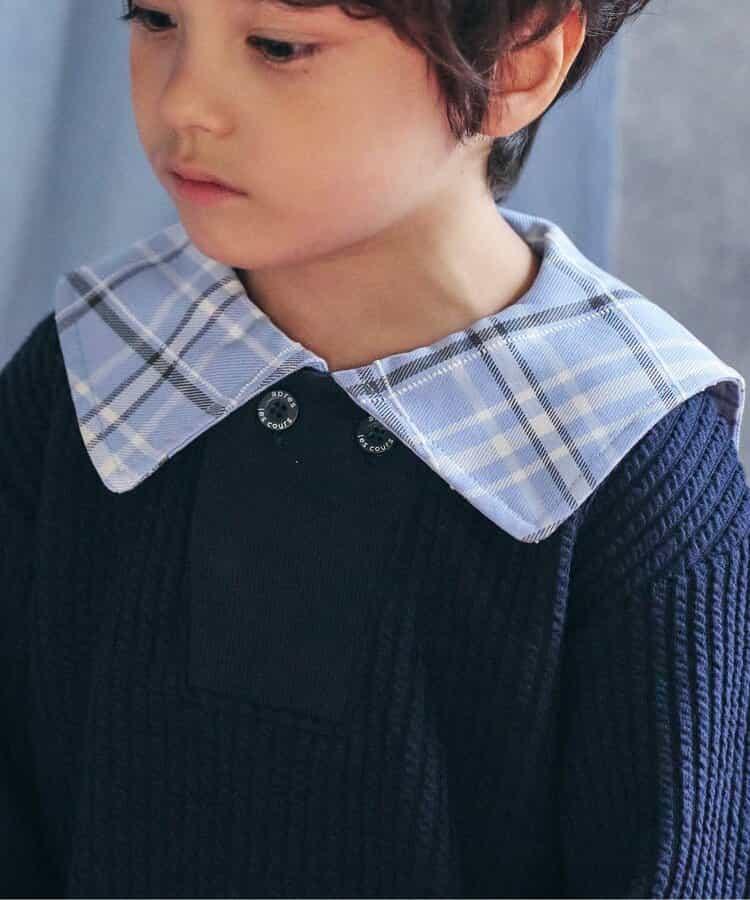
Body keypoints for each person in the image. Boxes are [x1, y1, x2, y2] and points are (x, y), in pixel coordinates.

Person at [2, 0, 749, 896]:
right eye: (156, 19)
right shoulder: (87, 370)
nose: (183, 102)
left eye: (278, 46)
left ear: (516, 60)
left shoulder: (634, 464)